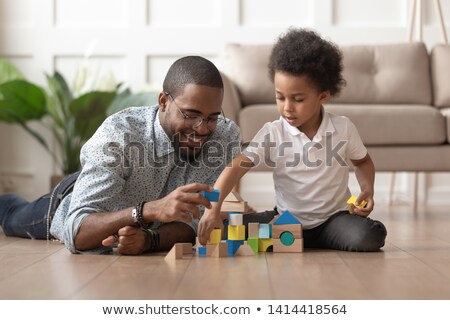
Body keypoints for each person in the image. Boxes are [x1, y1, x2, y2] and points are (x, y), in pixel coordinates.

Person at [0, 56, 241, 255]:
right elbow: (76, 232)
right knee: (10, 214)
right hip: (72, 202)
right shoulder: (119, 135)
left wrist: (150, 239)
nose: (202, 129)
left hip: (129, 211)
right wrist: (146, 211)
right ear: (163, 101)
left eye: (211, 117)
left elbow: (193, 222)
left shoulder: (223, 136)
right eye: (190, 114)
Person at [198, 28, 387, 252]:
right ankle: (290, 237)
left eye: (297, 99)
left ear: (323, 96)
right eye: (280, 97)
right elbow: (235, 168)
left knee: (370, 236)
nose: (287, 107)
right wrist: (213, 209)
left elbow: (362, 162)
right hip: (287, 219)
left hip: (334, 221)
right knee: (226, 229)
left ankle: (300, 241)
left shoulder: (342, 128)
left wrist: (368, 190)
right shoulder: (273, 132)